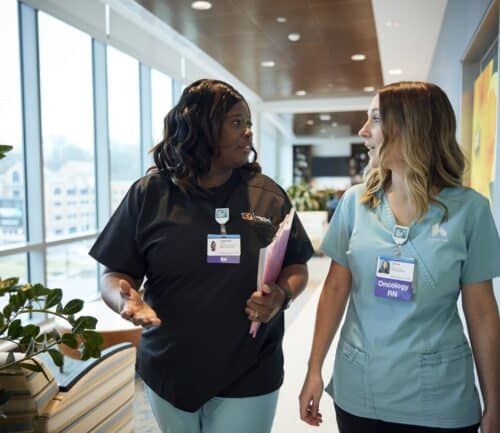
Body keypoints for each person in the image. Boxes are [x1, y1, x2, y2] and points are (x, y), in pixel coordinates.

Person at [89, 78, 314, 433]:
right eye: (236, 123)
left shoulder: (266, 196)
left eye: (249, 124)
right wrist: (125, 301)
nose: (248, 134)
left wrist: (281, 296)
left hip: (249, 367)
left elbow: (297, 264)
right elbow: (114, 271)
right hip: (170, 366)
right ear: (201, 128)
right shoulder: (150, 194)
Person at [299, 82, 500, 433]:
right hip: (361, 393)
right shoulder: (355, 203)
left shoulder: (470, 211)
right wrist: (313, 368)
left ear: (413, 128)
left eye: (375, 119)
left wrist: (495, 402)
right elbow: (333, 290)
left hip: (439, 399)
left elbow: (482, 311)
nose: (363, 131)